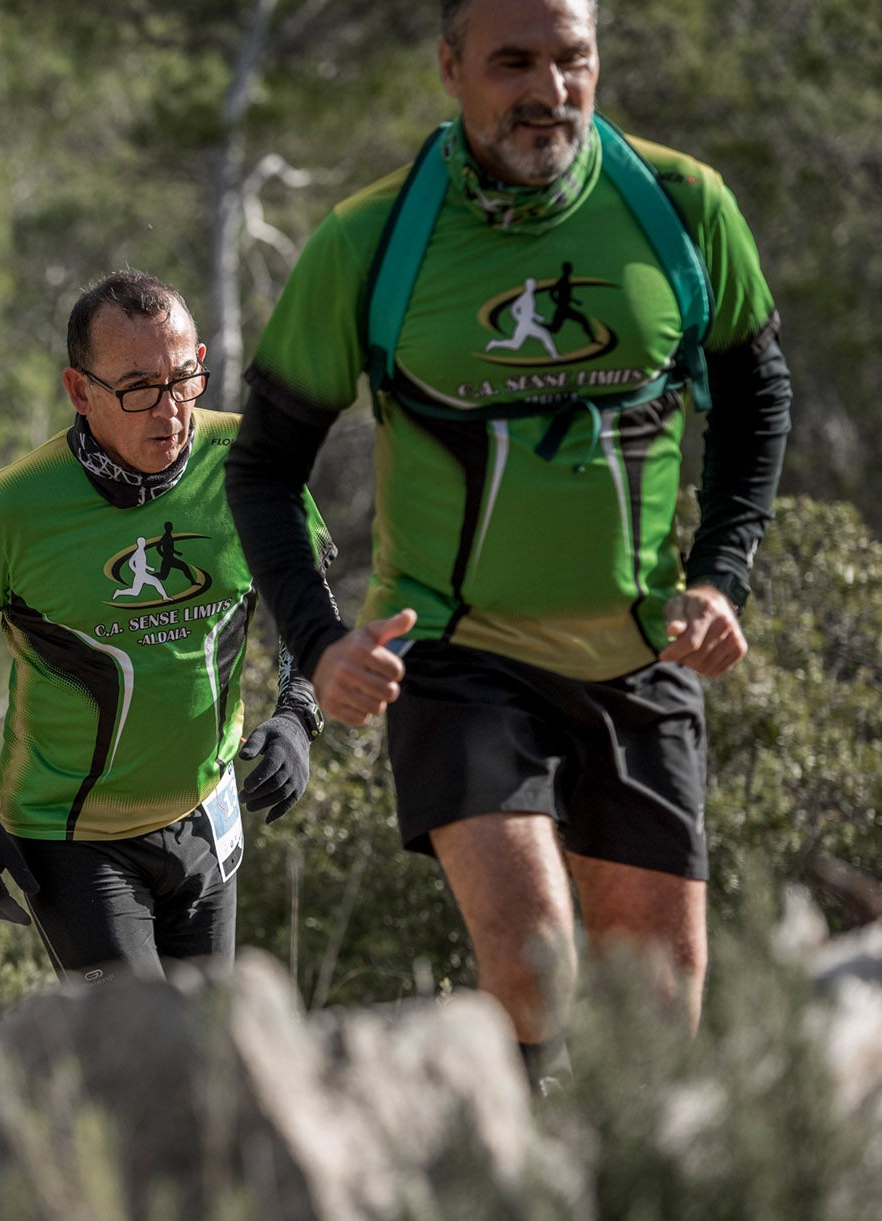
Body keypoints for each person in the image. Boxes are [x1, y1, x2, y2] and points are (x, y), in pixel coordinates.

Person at [224, 0, 791, 1088]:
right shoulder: (370, 241)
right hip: (454, 652)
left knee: (657, 1003)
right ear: (450, 68)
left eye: (569, 58)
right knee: (533, 963)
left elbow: (756, 391)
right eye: (511, 62)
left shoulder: (678, 207)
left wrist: (721, 576)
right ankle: (516, 1210)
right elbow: (260, 467)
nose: (546, 89)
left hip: (639, 654)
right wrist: (317, 645)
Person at [0, 270, 332, 982]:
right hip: (71, 838)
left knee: (205, 1058)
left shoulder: (252, 463)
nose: (168, 410)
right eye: (138, 387)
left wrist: (299, 711)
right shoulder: (5, 510)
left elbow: (309, 598)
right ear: (80, 391)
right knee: (141, 1056)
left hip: (205, 812)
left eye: (184, 378)